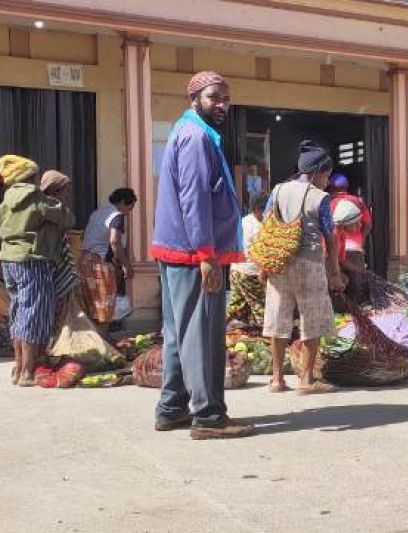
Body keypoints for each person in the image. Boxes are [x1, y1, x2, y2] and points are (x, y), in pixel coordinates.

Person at [150, 70, 254, 440]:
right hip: (195, 255)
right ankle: (209, 417)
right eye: (214, 98)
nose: (222, 105)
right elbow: (194, 198)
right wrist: (207, 254)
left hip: (178, 250)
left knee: (179, 335)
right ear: (195, 98)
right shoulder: (195, 137)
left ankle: (171, 408)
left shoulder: (190, 131)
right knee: (203, 338)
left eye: (226, 98)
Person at [262, 140, 345, 394]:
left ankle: (277, 380)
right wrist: (335, 274)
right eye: (326, 175)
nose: (327, 180)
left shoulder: (277, 191)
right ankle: (306, 380)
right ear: (318, 171)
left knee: (278, 318)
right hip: (309, 264)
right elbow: (330, 238)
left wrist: (264, 264)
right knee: (313, 319)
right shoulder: (320, 198)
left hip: (279, 262)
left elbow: (266, 224)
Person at [0, 155, 73, 386]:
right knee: (34, 315)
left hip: (9, 261)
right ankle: (28, 373)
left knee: (19, 312)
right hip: (32, 260)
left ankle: (19, 368)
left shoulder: (5, 202)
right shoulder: (36, 199)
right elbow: (67, 218)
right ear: (31, 177)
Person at [79, 187, 137, 327]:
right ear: (123, 202)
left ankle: (96, 342)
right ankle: (104, 343)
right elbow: (114, 241)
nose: (128, 213)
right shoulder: (116, 215)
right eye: (129, 208)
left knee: (92, 307)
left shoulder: (98, 212)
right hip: (100, 264)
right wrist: (125, 265)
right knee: (104, 308)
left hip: (84, 262)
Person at [40, 170, 80, 330]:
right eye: (66, 190)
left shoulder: (54, 205)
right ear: (55, 189)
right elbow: (68, 220)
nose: (68, 194)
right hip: (47, 258)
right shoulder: (48, 205)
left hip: (54, 256)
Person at [228, 194, 269, 327]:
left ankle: (214, 327)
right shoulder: (256, 226)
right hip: (249, 272)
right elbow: (256, 252)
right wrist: (263, 271)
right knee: (262, 306)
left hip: (236, 270)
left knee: (237, 306)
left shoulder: (245, 221)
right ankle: (271, 338)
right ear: (258, 208)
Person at [328, 173, 372, 283]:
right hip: (354, 249)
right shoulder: (357, 201)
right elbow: (367, 224)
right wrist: (361, 239)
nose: (358, 225)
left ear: (331, 188)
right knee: (357, 287)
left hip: (336, 252)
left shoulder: (328, 204)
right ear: (347, 187)